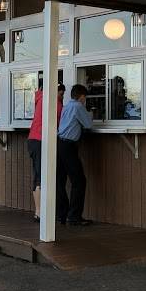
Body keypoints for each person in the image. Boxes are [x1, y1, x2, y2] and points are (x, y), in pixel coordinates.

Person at [57, 84, 95, 226]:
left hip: (60, 144)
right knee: (79, 181)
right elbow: (88, 124)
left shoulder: (67, 106)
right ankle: (74, 216)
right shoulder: (78, 107)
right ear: (82, 97)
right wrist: (91, 114)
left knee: (60, 181)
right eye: (85, 98)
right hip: (69, 146)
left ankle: (62, 214)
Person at [27, 80, 65, 222]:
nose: (61, 97)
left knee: (38, 174)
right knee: (42, 176)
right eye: (61, 93)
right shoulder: (54, 102)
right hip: (42, 141)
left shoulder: (40, 98)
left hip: (32, 139)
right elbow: (62, 121)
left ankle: (39, 211)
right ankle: (40, 213)